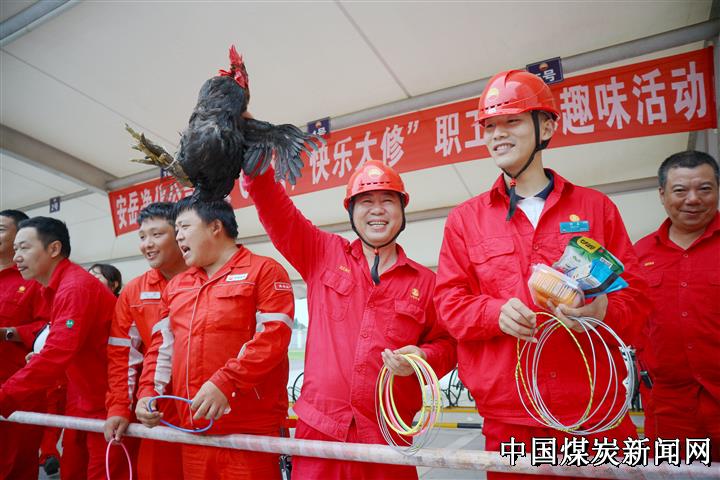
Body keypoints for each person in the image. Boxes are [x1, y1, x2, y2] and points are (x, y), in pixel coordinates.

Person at [434, 70, 650, 479]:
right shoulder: (465, 220)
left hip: (594, 412)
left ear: (547, 127)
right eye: (489, 126)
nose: (498, 134)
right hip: (512, 418)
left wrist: (601, 310)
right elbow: (448, 304)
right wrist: (494, 313)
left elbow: (637, 297)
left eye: (512, 121)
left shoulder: (596, 209)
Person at [245, 160, 456, 479]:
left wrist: (422, 358)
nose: (377, 210)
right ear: (351, 211)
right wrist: (256, 164)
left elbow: (449, 345)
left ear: (402, 210)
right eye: (366, 201)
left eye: (388, 200)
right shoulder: (321, 253)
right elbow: (275, 209)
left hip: (388, 438)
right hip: (320, 433)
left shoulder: (426, 283)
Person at [135, 198, 294, 480]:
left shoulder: (264, 271)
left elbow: (273, 339)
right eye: (176, 229)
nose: (178, 236)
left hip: (250, 435)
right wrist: (148, 392)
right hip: (194, 432)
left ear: (216, 227)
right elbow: (161, 349)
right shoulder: (177, 286)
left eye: (184, 227)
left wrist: (226, 382)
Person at [0, 216, 129, 480]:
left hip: (106, 401)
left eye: (24, 248)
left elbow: (56, 353)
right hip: (82, 397)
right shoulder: (54, 288)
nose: (17, 257)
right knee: (72, 471)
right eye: (15, 249)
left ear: (54, 249)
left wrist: (4, 396)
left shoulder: (74, 287)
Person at [634, 150, 720, 461]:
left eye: (705, 189)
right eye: (681, 190)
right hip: (668, 408)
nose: (693, 199)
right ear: (663, 194)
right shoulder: (639, 254)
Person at [104, 202, 187, 479]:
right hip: (155, 409)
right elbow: (122, 356)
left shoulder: (207, 277)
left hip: (206, 404)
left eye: (156, 234)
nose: (147, 244)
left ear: (181, 234)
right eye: (142, 236)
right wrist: (119, 407)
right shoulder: (134, 291)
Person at [0, 209, 48, 480]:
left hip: (18, 393)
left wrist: (8, 333)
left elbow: (48, 328)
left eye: (1, 229)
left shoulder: (34, 280)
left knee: (14, 467)